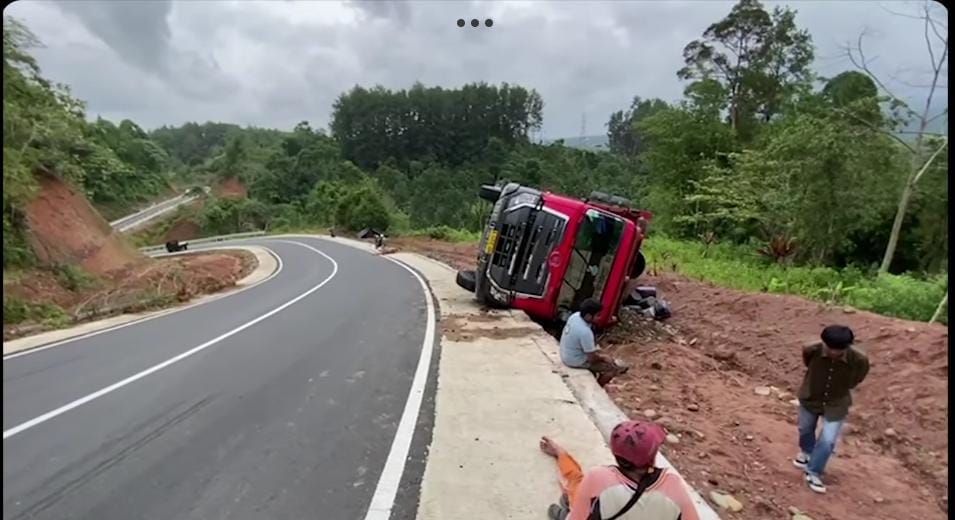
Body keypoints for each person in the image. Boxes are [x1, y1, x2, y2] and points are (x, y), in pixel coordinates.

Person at [539, 420, 700, 520]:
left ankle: (562, 512)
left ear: (615, 454)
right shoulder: (673, 485)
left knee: (575, 491)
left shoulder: (599, 478)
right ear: (652, 456)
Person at [793, 324, 869, 494]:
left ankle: (813, 471)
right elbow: (808, 363)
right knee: (805, 428)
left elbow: (858, 377)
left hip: (837, 403)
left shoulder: (859, 359)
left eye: (839, 350)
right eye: (830, 348)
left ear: (848, 346)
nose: (834, 352)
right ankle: (807, 453)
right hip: (811, 396)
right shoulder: (811, 349)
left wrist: (843, 386)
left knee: (828, 440)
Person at [559, 298, 628, 386]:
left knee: (599, 352)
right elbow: (592, 359)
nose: (599, 318)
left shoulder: (575, 316)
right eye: (598, 315)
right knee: (611, 369)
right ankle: (599, 386)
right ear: (588, 316)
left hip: (566, 353)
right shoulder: (585, 332)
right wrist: (603, 358)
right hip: (574, 361)